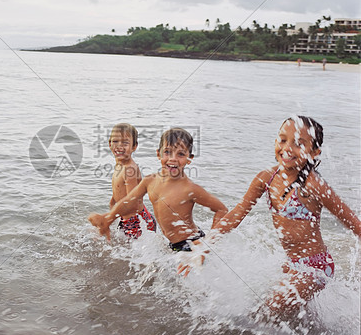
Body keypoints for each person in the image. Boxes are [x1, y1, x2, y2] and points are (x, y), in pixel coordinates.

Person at [180, 116, 361, 315]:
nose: (288, 148)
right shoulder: (267, 177)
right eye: (283, 140)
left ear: (314, 153)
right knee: (291, 319)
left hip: (315, 267)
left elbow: (351, 221)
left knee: (265, 314)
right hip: (292, 264)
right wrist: (205, 245)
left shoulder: (313, 185)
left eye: (299, 143)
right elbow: (237, 213)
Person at [89, 128, 228, 254]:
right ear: (158, 154)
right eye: (167, 152)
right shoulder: (149, 181)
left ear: (189, 159)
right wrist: (109, 218)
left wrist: (208, 243)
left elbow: (222, 210)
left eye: (180, 154)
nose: (172, 158)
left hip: (192, 243)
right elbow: (128, 201)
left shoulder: (190, 189)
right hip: (173, 244)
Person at [107, 123, 156, 239]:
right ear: (110, 144)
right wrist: (112, 203)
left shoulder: (130, 169)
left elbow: (132, 201)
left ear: (134, 147)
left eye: (125, 143)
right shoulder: (119, 165)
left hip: (137, 221)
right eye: (115, 141)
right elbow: (118, 190)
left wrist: (110, 217)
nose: (119, 146)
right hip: (127, 219)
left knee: (131, 253)